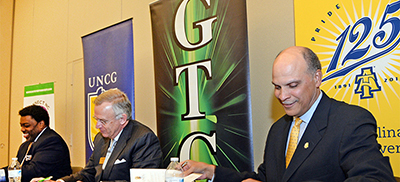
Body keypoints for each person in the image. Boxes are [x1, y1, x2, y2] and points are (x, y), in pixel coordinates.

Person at [179, 46, 396, 181]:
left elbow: (375, 177)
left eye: (293, 85)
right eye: (277, 86)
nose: (283, 96)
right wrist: (212, 171)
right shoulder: (279, 129)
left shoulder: (350, 121)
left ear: (317, 78)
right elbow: (265, 179)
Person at [48, 88, 162, 182]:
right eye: (96, 119)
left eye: (103, 121)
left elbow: (141, 180)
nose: (97, 126)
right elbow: (90, 171)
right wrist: (61, 181)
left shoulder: (143, 139)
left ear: (122, 119)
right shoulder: (100, 138)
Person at [16, 105, 72, 182]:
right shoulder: (25, 145)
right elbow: (17, 168)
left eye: (26, 126)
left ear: (41, 124)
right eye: (21, 126)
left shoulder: (52, 141)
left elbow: (34, 171)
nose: (22, 129)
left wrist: (3, 173)